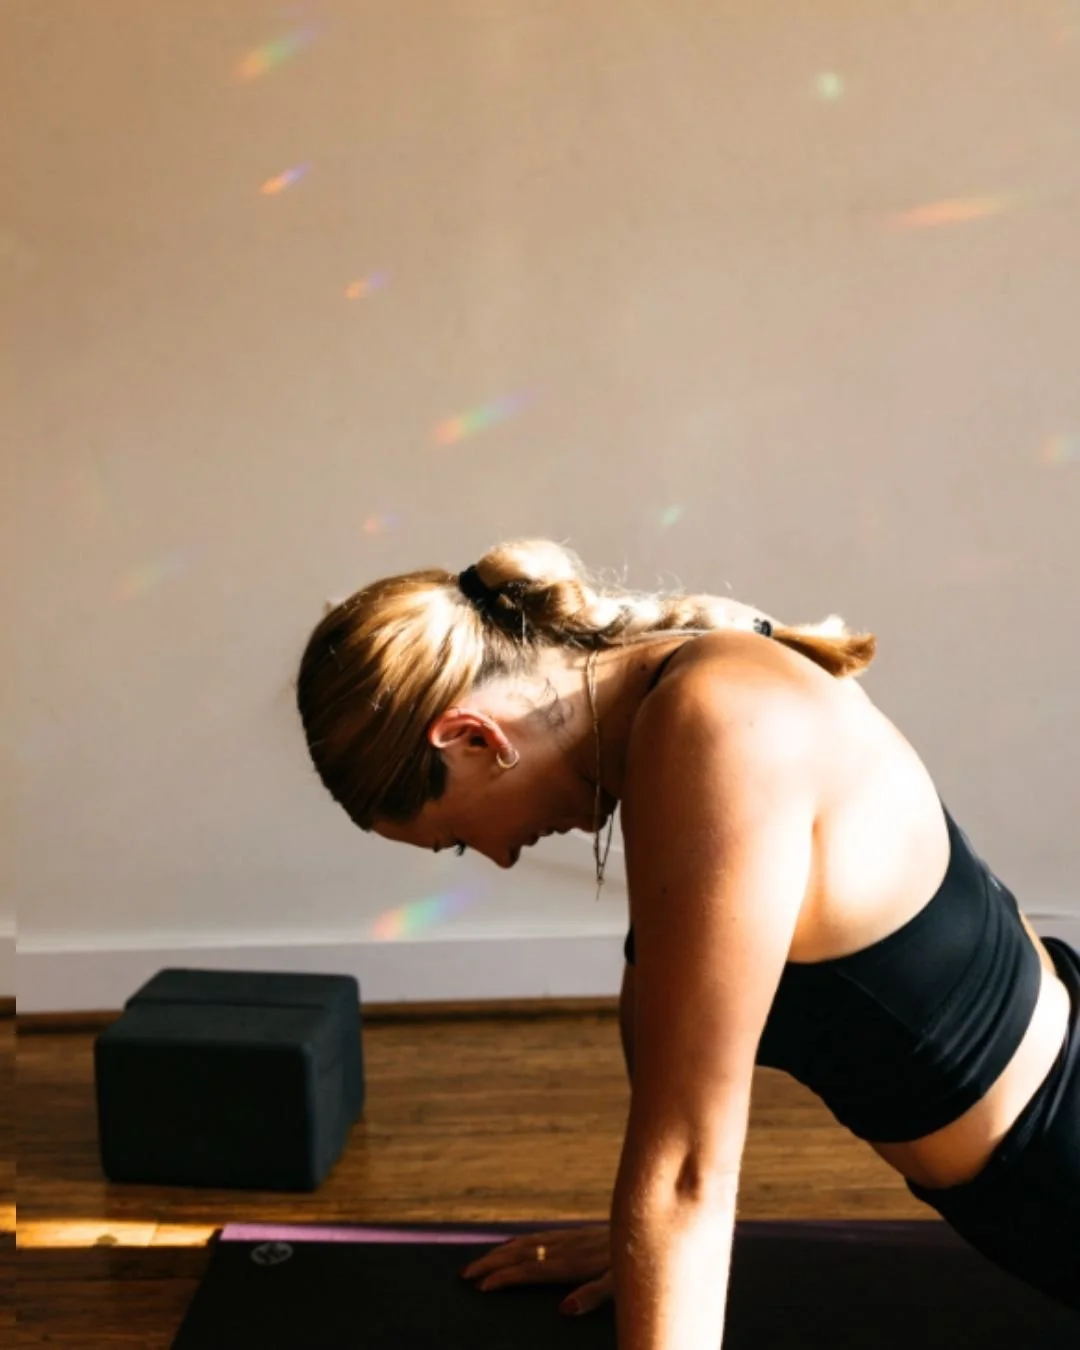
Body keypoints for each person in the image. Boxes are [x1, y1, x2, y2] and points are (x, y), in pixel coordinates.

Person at [295, 538, 1079, 1342]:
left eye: (458, 838)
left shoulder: (715, 724)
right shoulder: (682, 697)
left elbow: (687, 1171)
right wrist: (639, 1247)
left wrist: (664, 1226)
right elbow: (671, 1110)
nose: (499, 855)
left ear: (474, 738)